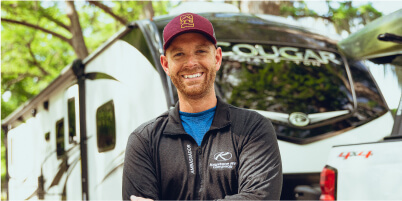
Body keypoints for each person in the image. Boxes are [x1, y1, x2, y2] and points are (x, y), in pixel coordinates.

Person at [122, 12, 282, 201]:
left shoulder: (253, 128)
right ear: (166, 64)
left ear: (217, 58)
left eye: (201, 51)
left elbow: (258, 198)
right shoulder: (144, 141)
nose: (191, 63)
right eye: (179, 54)